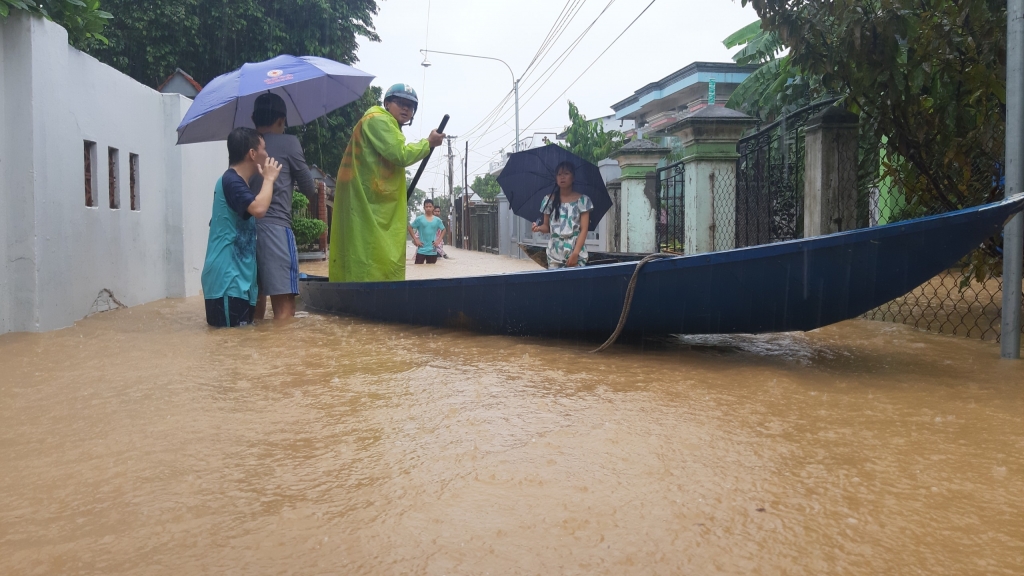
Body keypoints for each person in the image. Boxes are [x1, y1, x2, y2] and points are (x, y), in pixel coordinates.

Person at [329, 84, 444, 282]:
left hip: (376, 199)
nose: (406, 109)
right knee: (366, 249)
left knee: (376, 251)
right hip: (365, 199)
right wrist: (428, 143)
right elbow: (400, 154)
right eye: (400, 103)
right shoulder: (378, 120)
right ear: (387, 103)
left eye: (410, 106)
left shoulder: (388, 125)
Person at [248, 93, 321, 321]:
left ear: (253, 118)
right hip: (276, 230)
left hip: (244, 231)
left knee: (254, 306)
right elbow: (309, 188)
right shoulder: (290, 142)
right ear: (281, 120)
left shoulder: (245, 144)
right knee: (285, 309)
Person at [201, 128, 282, 327]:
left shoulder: (237, 184)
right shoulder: (231, 181)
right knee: (229, 345)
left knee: (239, 348)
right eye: (264, 149)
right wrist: (269, 179)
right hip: (227, 283)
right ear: (252, 154)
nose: (267, 154)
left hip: (238, 282)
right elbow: (260, 208)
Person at [531, 161, 593, 269]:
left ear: (573, 177)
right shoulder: (548, 200)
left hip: (576, 251)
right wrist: (539, 228)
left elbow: (584, 229)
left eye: (566, 173)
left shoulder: (583, 200)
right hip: (555, 253)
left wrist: (575, 254)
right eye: (559, 174)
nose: (562, 177)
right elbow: (547, 227)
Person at [408, 198, 446, 264]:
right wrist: (415, 239)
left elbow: (444, 230)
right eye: (426, 207)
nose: (428, 208)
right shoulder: (419, 219)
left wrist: (438, 240)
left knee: (432, 270)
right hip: (421, 250)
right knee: (419, 270)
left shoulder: (437, 220)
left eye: (430, 206)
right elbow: (410, 227)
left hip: (432, 250)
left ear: (433, 207)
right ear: (424, 208)